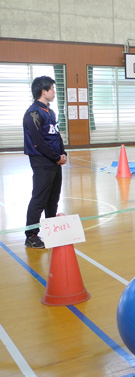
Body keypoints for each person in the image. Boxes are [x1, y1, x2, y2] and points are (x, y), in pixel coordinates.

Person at [24, 76, 67, 249]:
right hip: (42, 162)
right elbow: (38, 142)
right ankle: (31, 235)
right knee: (39, 199)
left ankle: (51, 229)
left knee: (53, 198)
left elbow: (55, 135)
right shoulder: (33, 113)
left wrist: (62, 153)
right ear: (44, 91)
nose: (54, 92)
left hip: (54, 162)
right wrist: (55, 157)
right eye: (52, 89)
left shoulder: (51, 112)